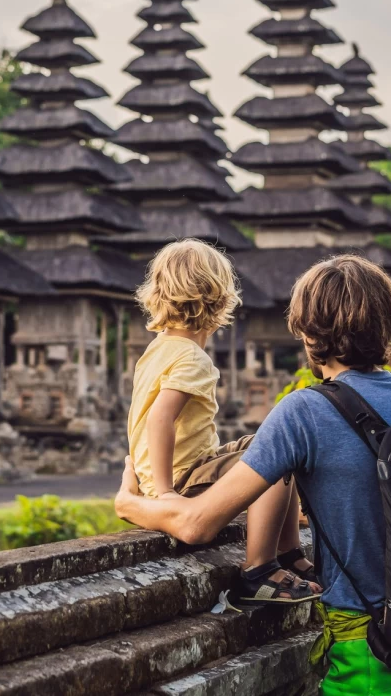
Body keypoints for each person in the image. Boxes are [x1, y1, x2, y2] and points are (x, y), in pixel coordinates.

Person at [116, 254, 391, 695]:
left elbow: (196, 524)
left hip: (374, 664)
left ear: (308, 335)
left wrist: (131, 502)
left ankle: (266, 565)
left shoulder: (304, 411)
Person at [128, 238, 319, 605]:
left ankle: (289, 543)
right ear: (219, 299)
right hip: (184, 476)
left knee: (265, 441)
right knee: (277, 457)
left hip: (171, 470)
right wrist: (167, 492)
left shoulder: (156, 350)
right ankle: (260, 568)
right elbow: (160, 417)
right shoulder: (192, 359)